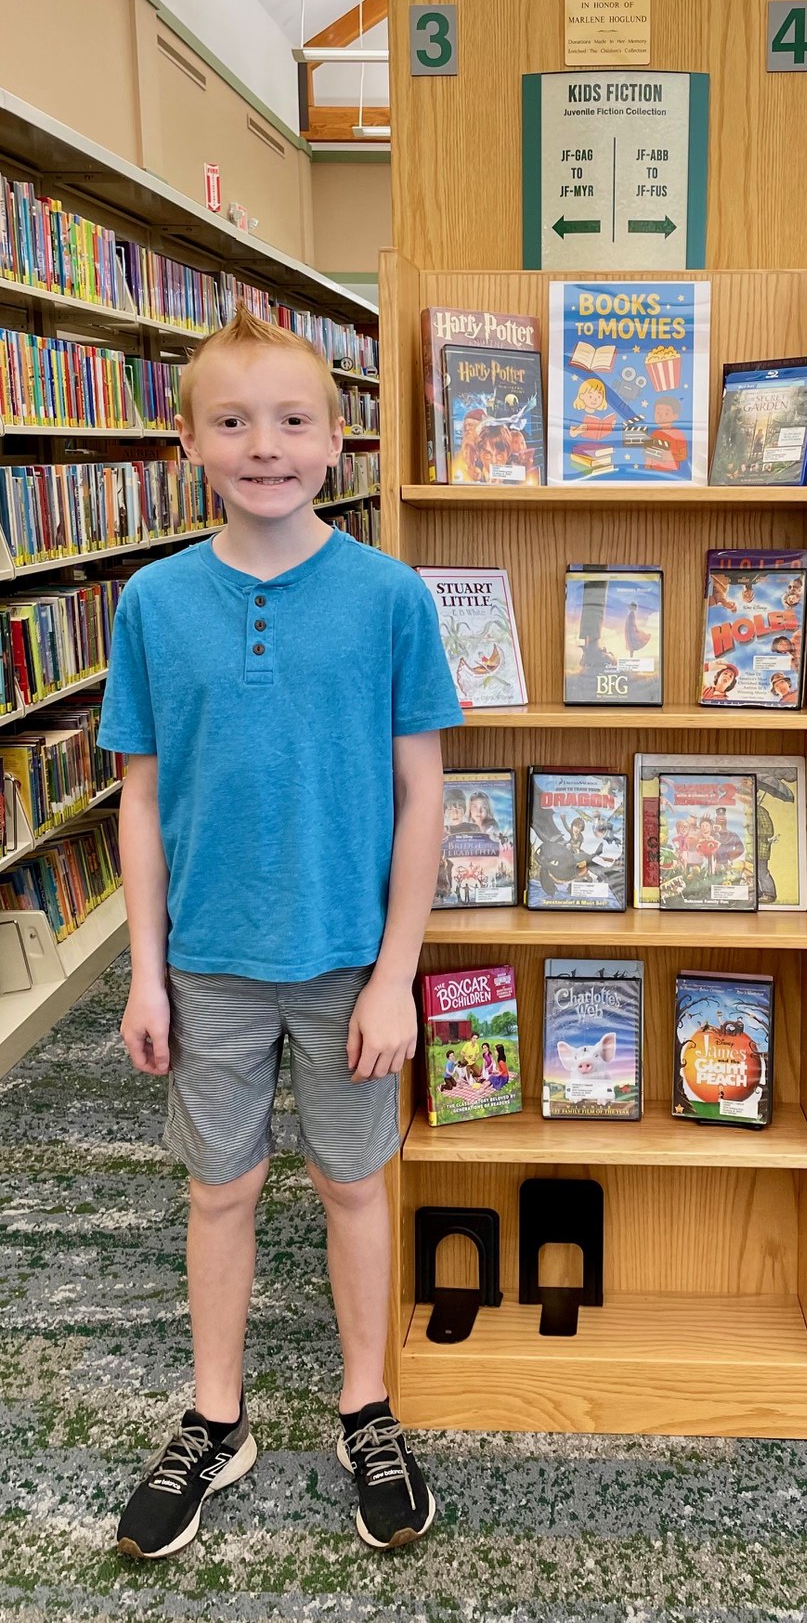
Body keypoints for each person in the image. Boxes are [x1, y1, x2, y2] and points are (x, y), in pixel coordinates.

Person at [98, 305, 463, 1561]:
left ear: (337, 439)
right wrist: (144, 972)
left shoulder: (388, 596)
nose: (267, 445)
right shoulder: (151, 603)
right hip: (205, 960)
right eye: (236, 420)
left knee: (353, 1181)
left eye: (294, 419)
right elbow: (140, 799)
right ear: (189, 437)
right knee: (223, 1186)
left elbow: (425, 795)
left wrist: (396, 976)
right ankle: (216, 1415)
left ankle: (366, 1402)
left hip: (349, 961)